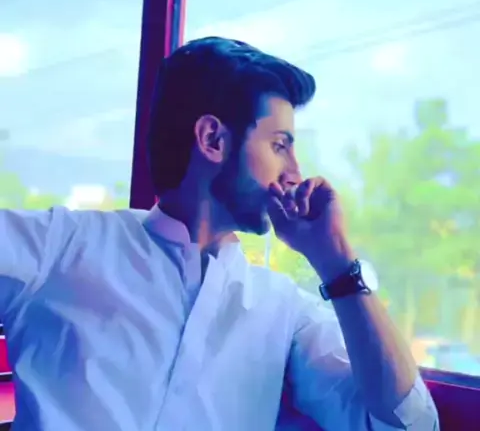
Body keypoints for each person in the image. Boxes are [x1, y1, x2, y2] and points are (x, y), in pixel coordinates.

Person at [0, 37, 439, 431]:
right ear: (212, 139)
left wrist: (336, 262)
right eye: (280, 145)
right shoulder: (63, 245)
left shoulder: (286, 312)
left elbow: (409, 424)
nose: (295, 172)